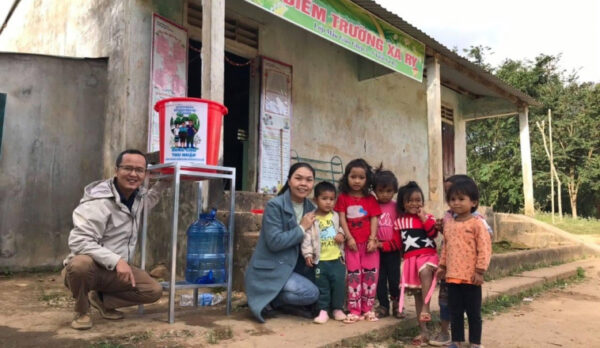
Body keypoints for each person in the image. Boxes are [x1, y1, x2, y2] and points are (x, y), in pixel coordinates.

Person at [62, 149, 169, 330]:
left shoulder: (137, 199)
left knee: (153, 290)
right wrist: (117, 260)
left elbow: (150, 200)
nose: (133, 174)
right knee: (79, 265)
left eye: (139, 170)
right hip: (91, 268)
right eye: (128, 168)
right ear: (116, 170)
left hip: (114, 273)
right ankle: (82, 310)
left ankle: (102, 299)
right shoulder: (98, 200)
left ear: (145, 174)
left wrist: (165, 183)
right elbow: (80, 241)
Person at [245, 163, 320, 323]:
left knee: (325, 284)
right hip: (273, 267)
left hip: (295, 266)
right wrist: (302, 228)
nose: (303, 184)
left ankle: (274, 299)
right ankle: (269, 299)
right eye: (298, 178)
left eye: (309, 180)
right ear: (289, 180)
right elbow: (274, 242)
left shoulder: (311, 207)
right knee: (311, 293)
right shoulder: (275, 205)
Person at [430, 175, 494, 346]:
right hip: (452, 276)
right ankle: (457, 341)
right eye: (452, 199)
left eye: (461, 199)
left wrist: (480, 271)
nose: (456, 203)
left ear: (473, 202)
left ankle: (475, 342)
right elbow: (446, 247)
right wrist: (442, 266)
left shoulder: (477, 224)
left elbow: (485, 248)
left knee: (473, 313)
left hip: (471, 278)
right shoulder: (449, 223)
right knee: (455, 312)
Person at [334, 158, 381, 323]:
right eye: (353, 176)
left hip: (369, 245)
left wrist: (372, 239)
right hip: (351, 244)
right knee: (354, 275)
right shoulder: (343, 198)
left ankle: (368, 309)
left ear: (367, 179)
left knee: (370, 275)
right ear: (347, 177)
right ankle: (354, 310)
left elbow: (374, 219)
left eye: (361, 177)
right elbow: (342, 218)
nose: (357, 181)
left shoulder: (371, 199)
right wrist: (349, 237)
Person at [395, 181, 438, 346]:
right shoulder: (399, 222)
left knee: (426, 271)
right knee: (418, 295)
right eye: (410, 201)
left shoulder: (428, 218)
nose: (415, 203)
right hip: (411, 260)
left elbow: (433, 234)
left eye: (418, 200)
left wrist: (424, 219)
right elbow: (398, 244)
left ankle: (426, 307)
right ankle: (424, 331)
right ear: (403, 204)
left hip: (428, 256)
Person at [301, 181, 347, 324]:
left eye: (332, 199)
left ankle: (338, 309)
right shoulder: (312, 218)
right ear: (315, 200)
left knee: (339, 284)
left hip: (337, 259)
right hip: (321, 260)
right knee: (323, 286)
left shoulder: (336, 216)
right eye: (324, 198)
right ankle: (323, 310)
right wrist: (307, 254)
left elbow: (343, 228)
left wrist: (341, 234)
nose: (328, 202)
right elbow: (306, 237)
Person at [371, 166, 403, 319]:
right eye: (381, 191)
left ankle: (398, 304)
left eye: (389, 191)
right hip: (376, 249)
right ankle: (383, 305)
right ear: (375, 191)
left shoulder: (397, 207)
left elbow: (401, 229)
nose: (384, 195)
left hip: (393, 249)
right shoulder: (372, 205)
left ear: (395, 190)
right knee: (379, 278)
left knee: (394, 278)